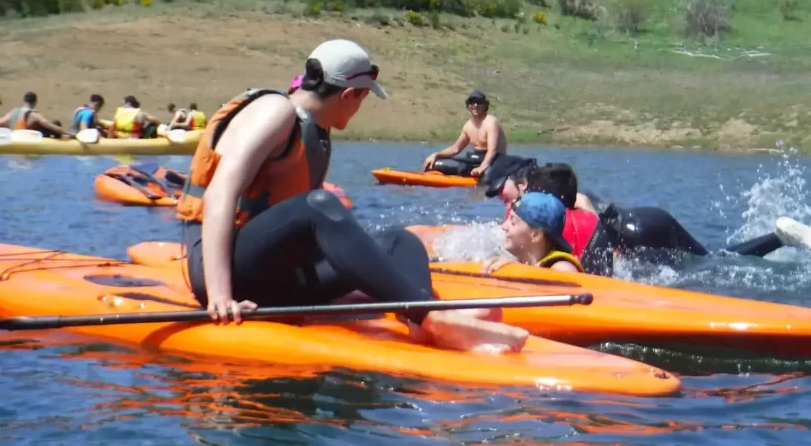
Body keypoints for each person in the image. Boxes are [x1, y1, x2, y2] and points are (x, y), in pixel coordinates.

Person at [173, 38, 528, 354]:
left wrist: (363, 279)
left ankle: (419, 316)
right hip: (222, 273)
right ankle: (432, 318)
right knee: (321, 206)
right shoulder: (275, 112)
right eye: (362, 100)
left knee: (399, 243)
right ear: (348, 95)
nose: (359, 110)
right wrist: (220, 295)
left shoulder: (315, 129)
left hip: (273, 275)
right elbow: (221, 192)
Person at [478, 157, 811, 276]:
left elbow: (594, 235)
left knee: (714, 265)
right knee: (710, 258)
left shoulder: (565, 215)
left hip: (636, 230)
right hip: (643, 220)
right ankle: (777, 236)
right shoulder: (577, 200)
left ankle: (779, 238)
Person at [481, 192, 584, 275]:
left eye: (513, 222)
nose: (504, 227)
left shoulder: (562, 268)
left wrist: (516, 270)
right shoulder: (526, 262)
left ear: (535, 235)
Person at [423, 89, 507, 177]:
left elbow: (492, 150)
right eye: (472, 102)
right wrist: (436, 155)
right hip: (475, 161)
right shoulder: (468, 126)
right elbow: (455, 149)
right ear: (468, 106)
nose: (475, 105)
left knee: (487, 171)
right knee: (435, 164)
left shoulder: (491, 122)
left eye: (478, 102)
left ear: (485, 105)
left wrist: (482, 167)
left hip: (493, 162)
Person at [0, 92, 71, 139]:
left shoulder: (13, 112)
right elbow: (49, 125)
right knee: (55, 123)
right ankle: (59, 142)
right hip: (28, 140)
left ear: (24, 100)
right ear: (35, 102)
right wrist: (68, 134)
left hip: (14, 139)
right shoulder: (34, 115)